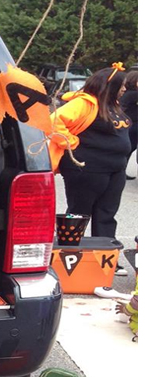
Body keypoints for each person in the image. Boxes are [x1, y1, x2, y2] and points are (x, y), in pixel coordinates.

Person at [48, 63, 131, 276]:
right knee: (78, 214)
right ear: (110, 86)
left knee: (107, 214)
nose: (124, 89)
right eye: (121, 85)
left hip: (115, 169)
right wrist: (72, 142)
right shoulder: (85, 103)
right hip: (87, 169)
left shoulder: (114, 105)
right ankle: (69, 259)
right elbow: (53, 121)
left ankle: (104, 259)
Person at [120, 69, 138, 179]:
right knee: (130, 148)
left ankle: (122, 171)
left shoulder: (126, 93)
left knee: (128, 149)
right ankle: (121, 171)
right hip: (134, 124)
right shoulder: (135, 94)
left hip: (127, 123)